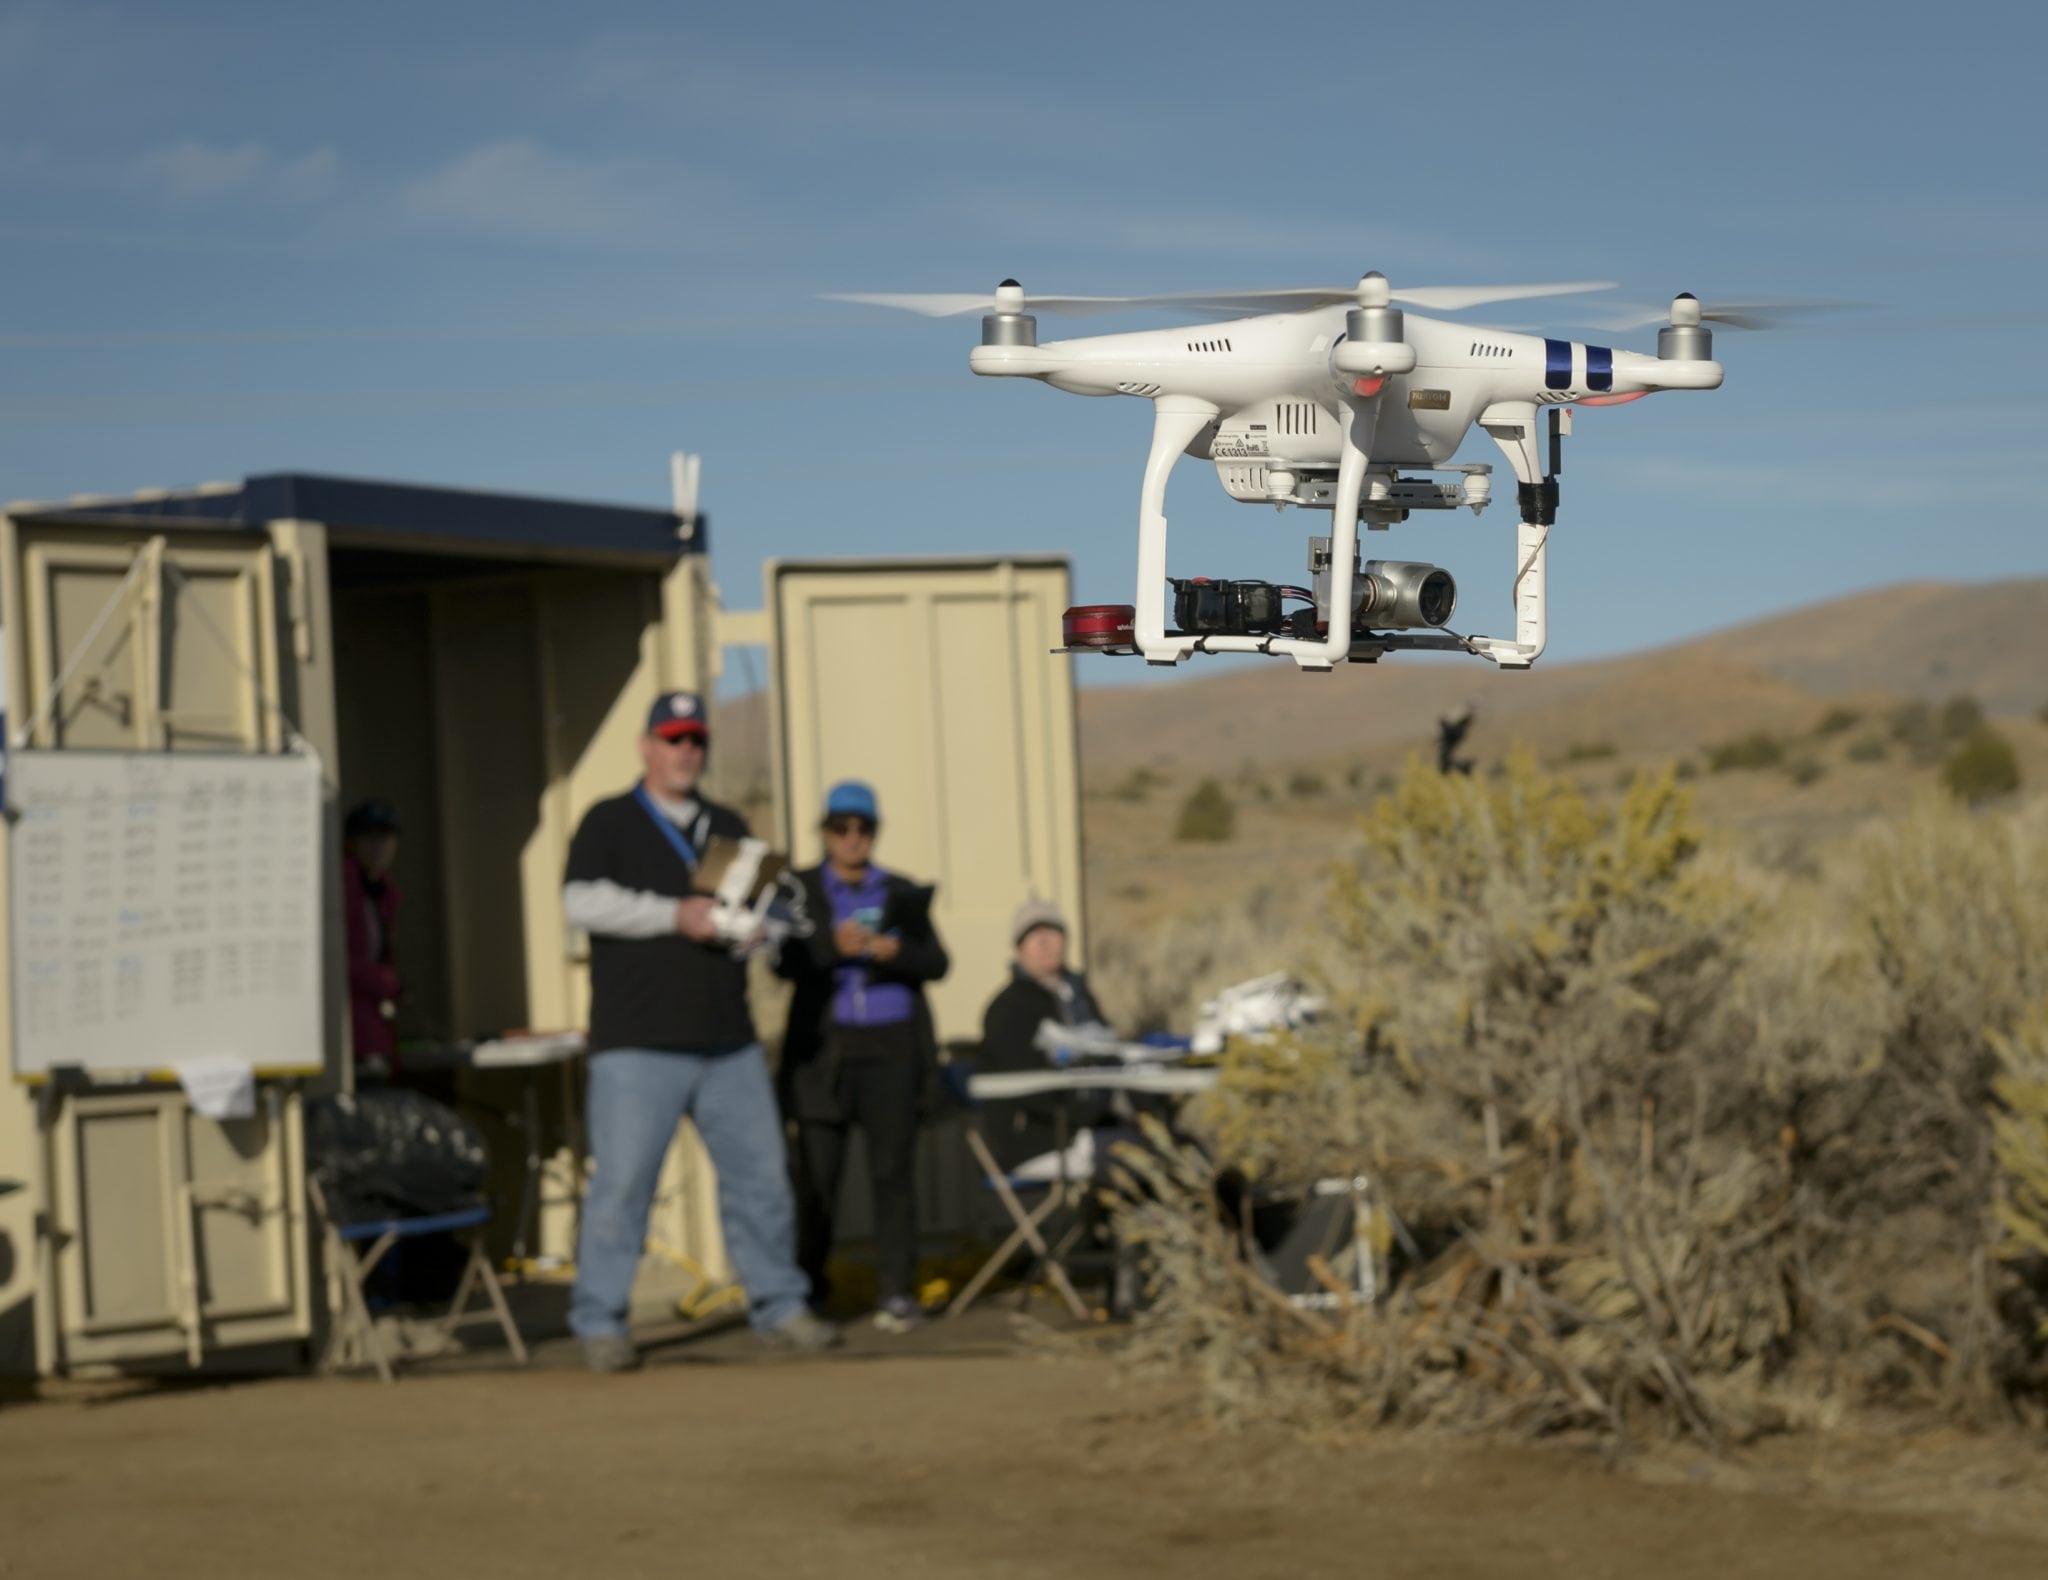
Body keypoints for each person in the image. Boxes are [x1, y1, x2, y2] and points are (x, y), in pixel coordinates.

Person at [563, 690, 837, 1372]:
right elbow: (580, 901)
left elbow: (759, 908)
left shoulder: (727, 823)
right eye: (674, 739)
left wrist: (758, 933)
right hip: (636, 1043)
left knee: (762, 1179)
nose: (687, 752)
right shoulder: (610, 820)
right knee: (623, 1186)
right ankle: (601, 1320)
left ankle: (779, 1304)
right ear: (647, 746)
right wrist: (673, 915)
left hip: (728, 1041)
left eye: (696, 741)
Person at [777, 781, 950, 1333]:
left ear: (874, 833)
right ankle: (807, 1291)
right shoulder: (801, 889)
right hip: (826, 1053)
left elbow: (937, 963)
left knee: (892, 1175)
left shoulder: (899, 891)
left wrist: (897, 953)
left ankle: (896, 1292)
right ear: (825, 831)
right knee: (818, 1176)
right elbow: (783, 961)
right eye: (841, 827)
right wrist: (834, 948)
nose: (852, 838)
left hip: (893, 1049)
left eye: (863, 828)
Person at [976, 897, 1113, 1174]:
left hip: (1089, 1127)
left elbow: (1110, 1053)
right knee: (1133, 1158)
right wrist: (1084, 1114)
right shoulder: (1007, 1009)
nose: (1044, 942)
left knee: (1169, 1144)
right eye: (1033, 935)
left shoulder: (1079, 997)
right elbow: (1027, 1086)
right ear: (1018, 949)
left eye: (1052, 932)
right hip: (1036, 1140)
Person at [342, 799, 403, 1080]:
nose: (378, 847)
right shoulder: (344, 885)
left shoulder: (383, 892)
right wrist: (386, 982)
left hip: (377, 1024)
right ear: (353, 843)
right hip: (350, 1027)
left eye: (386, 838)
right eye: (369, 837)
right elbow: (338, 960)